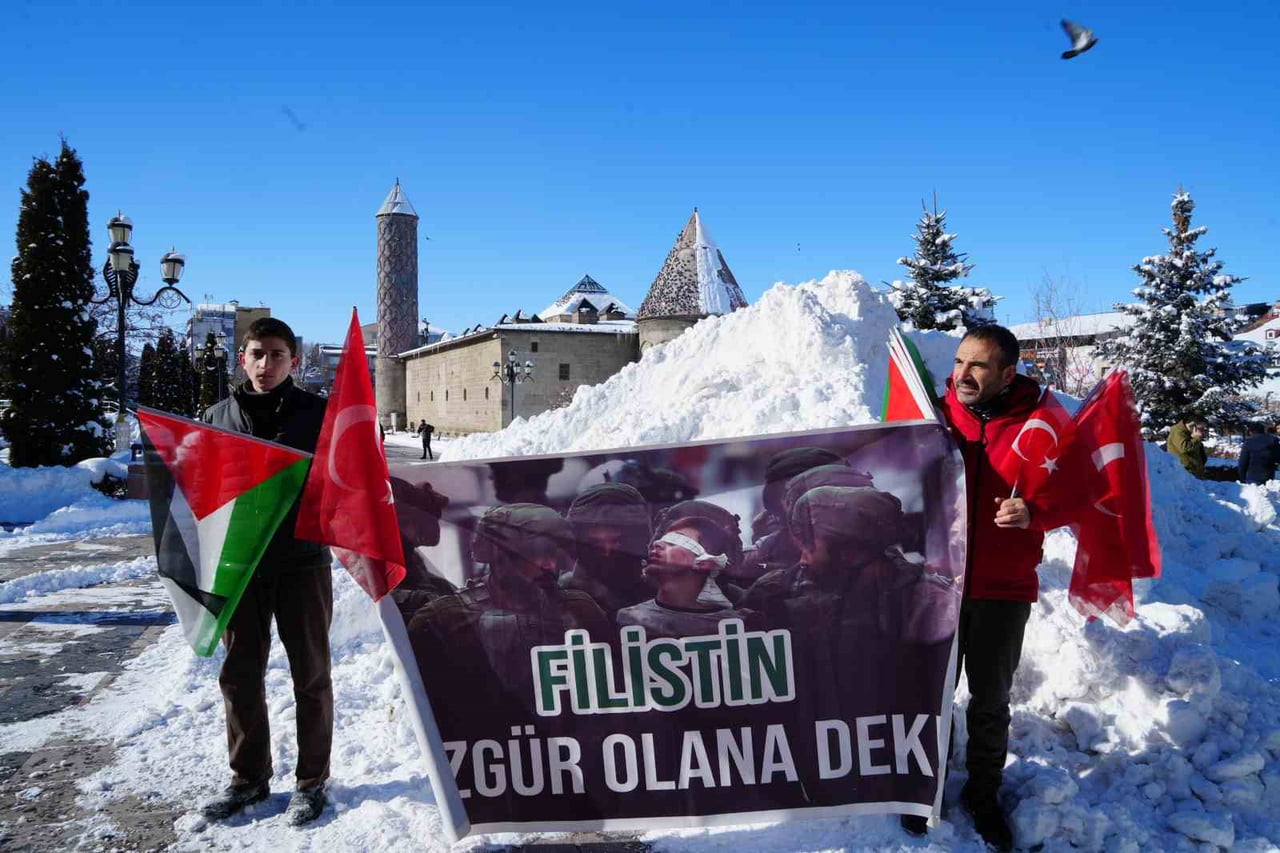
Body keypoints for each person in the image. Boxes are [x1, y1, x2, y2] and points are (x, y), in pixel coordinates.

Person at [921, 324, 1079, 851]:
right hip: (938, 583)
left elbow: (1080, 493)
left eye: (978, 366)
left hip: (1003, 588)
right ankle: (927, 787)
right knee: (931, 696)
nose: (962, 374)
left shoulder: (1043, 421)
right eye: (960, 363)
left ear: (1007, 373)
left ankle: (983, 795)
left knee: (989, 701)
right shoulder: (932, 418)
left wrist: (1037, 511)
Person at [198, 318, 332, 826]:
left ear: (293, 361)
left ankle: (311, 781)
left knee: (311, 676)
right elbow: (203, 492)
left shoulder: (320, 415)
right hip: (240, 565)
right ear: (242, 358)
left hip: (302, 563)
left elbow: (344, 480)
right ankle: (249, 778)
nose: (266, 364)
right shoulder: (215, 417)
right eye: (257, 353)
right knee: (239, 675)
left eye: (277, 355)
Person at [407, 504, 611, 728]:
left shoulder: (581, 610)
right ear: (498, 556)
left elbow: (612, 698)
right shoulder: (442, 620)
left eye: (554, 553)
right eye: (535, 553)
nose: (550, 565)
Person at [616, 506, 747, 639]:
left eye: (675, 541)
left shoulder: (743, 618)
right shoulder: (627, 613)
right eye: (663, 538)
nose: (657, 544)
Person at [559, 483, 654, 620]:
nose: (607, 550)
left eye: (617, 542)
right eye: (596, 543)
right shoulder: (560, 597)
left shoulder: (661, 593)